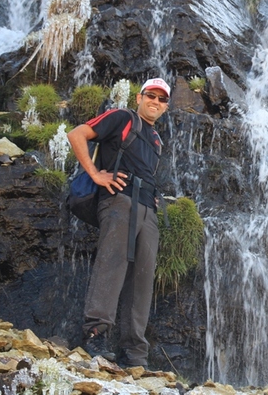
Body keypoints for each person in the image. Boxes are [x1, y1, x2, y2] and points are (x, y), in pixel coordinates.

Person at [67, 77, 171, 368]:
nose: (156, 102)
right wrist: (96, 174)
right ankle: (95, 333)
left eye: (162, 99)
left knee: (142, 280)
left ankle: (135, 353)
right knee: (111, 264)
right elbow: (77, 134)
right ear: (139, 98)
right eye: (151, 95)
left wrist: (154, 199)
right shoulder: (122, 117)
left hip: (147, 211)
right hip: (119, 201)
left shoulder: (156, 140)